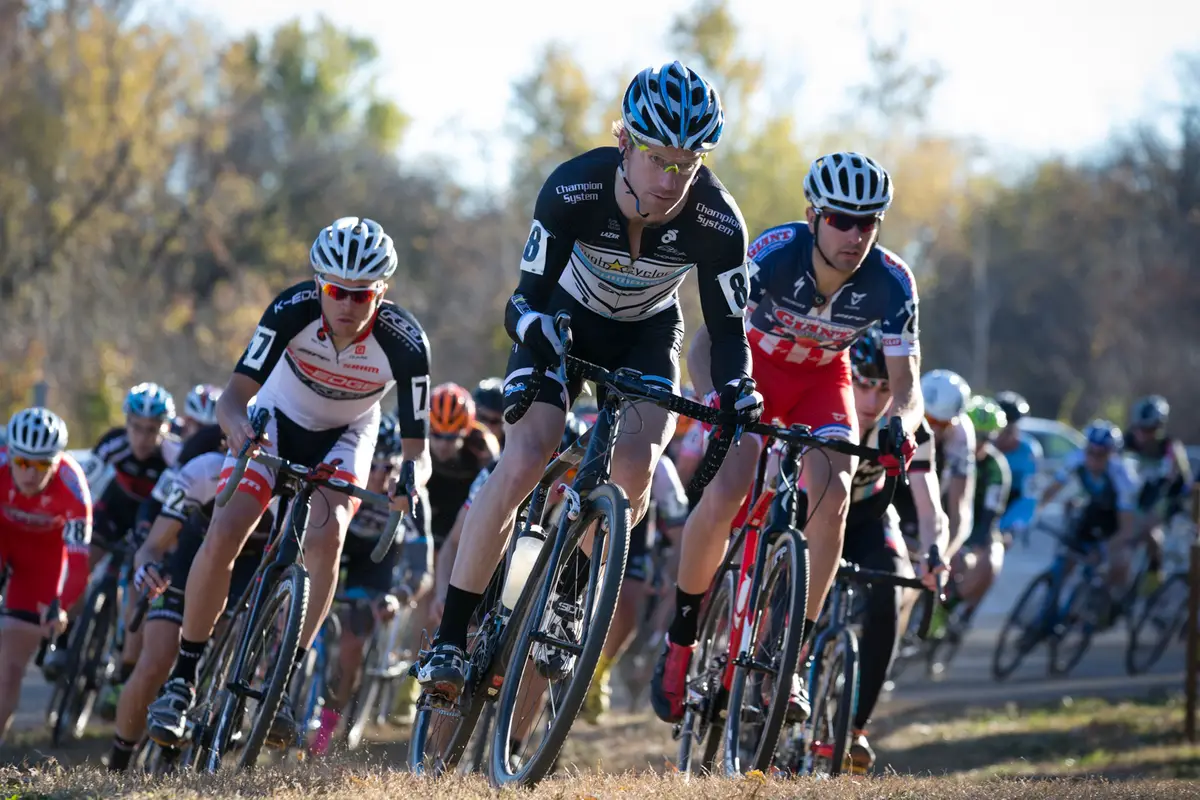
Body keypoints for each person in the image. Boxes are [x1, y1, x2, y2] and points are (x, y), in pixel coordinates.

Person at [415, 61, 761, 700]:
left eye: (686, 165)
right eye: (658, 158)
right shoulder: (574, 188)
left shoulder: (718, 222)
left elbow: (730, 334)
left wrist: (737, 387)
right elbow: (522, 304)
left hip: (649, 335)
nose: (670, 180)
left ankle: (569, 596)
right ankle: (450, 637)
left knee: (633, 467)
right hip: (562, 322)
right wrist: (536, 331)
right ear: (625, 139)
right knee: (525, 456)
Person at [651, 151, 925, 725]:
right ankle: (680, 642)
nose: (855, 235)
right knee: (730, 484)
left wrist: (901, 423)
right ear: (812, 215)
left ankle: (791, 657)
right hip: (753, 371)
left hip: (825, 380)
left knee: (835, 490)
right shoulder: (771, 254)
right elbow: (707, 341)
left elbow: (906, 386)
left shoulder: (893, 282)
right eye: (841, 220)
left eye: (868, 222)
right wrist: (713, 400)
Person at [145, 216, 432, 748]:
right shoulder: (290, 309)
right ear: (319, 284)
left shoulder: (407, 344)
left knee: (328, 538)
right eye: (335, 291)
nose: (346, 304)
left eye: (361, 294)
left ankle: (284, 680)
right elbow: (233, 400)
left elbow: (418, 450)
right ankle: (183, 679)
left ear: (382, 292)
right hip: (275, 417)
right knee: (229, 527)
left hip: (348, 432)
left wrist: (409, 480)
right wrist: (234, 428)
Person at [110, 425, 265, 769]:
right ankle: (119, 763)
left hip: (248, 568)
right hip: (191, 560)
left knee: (236, 642)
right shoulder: (204, 470)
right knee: (155, 660)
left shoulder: (290, 486)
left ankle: (216, 720)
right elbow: (153, 544)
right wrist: (146, 566)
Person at [830, 328, 946, 770]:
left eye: (885, 388)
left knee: (888, 600)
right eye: (863, 383)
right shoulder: (822, 405)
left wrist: (935, 552)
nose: (873, 399)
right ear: (847, 376)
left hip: (869, 516)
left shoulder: (907, 427)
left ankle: (857, 728)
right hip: (810, 508)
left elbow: (930, 506)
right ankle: (771, 678)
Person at [42, 382, 175, 680]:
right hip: (113, 510)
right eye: (137, 428)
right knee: (84, 562)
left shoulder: (173, 456)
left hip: (151, 522)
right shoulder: (112, 443)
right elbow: (83, 485)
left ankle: (121, 655)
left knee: (136, 584)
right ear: (126, 423)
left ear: (165, 429)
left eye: (152, 430)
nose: (142, 438)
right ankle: (63, 642)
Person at [0, 408, 90, 745]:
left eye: (41, 465)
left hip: (42, 557)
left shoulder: (74, 486)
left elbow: (80, 563)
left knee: (9, 671)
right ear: (10, 454)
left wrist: (60, 606)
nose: (30, 473)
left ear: (57, 461)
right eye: (22, 463)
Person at [1038, 419, 1140, 619]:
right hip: (1092, 512)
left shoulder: (1123, 478)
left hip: (1115, 522)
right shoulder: (1077, 459)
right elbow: (1050, 491)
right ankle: (1044, 619)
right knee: (1064, 562)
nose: (1093, 459)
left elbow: (1126, 530)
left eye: (1100, 454)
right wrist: (1034, 514)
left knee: (1110, 565)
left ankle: (1101, 607)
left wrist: (1104, 551)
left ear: (1111, 454)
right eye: (1090, 452)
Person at [947, 397, 1011, 624]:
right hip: (947, 518)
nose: (978, 443)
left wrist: (971, 546)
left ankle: (956, 610)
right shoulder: (950, 452)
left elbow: (990, 514)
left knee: (991, 562)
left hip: (977, 524)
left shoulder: (996, 467)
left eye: (986, 438)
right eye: (975, 435)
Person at [1123, 395, 1193, 589]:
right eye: (1141, 428)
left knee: (1151, 533)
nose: (1144, 434)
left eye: (1150, 429)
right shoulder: (1127, 441)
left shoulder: (1170, 447)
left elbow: (1181, 481)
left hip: (1166, 498)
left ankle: (1155, 575)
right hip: (1138, 496)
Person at [919, 369, 974, 561]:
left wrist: (945, 556)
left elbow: (959, 506)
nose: (932, 429)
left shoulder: (962, 433)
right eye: (928, 419)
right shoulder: (904, 413)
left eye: (941, 424)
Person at [993, 391, 1044, 546]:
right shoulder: (985, 444)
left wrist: (1005, 527)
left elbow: (1029, 497)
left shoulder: (1029, 451)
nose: (1004, 436)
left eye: (1010, 429)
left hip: (1010, 505)